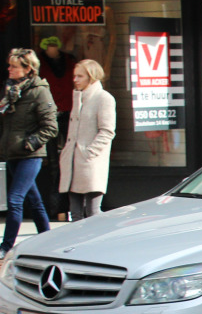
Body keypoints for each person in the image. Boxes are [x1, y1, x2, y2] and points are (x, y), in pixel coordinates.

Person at [0, 48, 56, 256]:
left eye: (14, 66)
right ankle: (48, 240)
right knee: (35, 200)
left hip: (30, 155)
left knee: (15, 200)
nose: (9, 69)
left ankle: (5, 247)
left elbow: (51, 127)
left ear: (28, 69)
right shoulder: (11, 91)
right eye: (10, 65)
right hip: (13, 153)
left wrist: (29, 144)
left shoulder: (40, 91)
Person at [59, 59, 115, 220]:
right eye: (74, 76)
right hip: (73, 162)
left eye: (80, 76)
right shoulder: (78, 98)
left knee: (93, 213)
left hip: (90, 162)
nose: (75, 80)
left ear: (91, 77)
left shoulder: (104, 98)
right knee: (75, 214)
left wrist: (89, 152)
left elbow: (107, 130)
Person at [36, 35, 76, 218]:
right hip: (50, 116)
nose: (51, 49)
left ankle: (67, 206)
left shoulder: (70, 61)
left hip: (70, 114)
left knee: (69, 160)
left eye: (54, 46)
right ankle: (56, 208)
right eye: (48, 46)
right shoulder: (40, 64)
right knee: (53, 164)